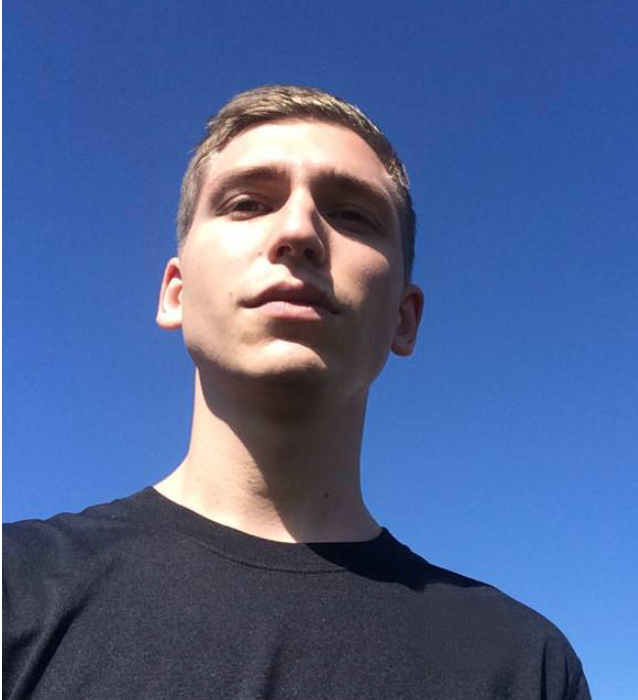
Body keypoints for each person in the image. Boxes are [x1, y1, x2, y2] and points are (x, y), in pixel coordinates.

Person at [3, 85, 591, 699]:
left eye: (351, 214)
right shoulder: (15, 591)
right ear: (176, 292)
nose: (298, 230)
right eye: (247, 203)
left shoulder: (525, 665)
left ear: (404, 318)